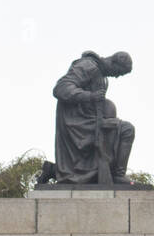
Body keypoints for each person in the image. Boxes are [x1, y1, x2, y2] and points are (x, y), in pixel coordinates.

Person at [51, 50, 136, 184]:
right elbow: (61, 88)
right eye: (119, 73)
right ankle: (118, 175)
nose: (117, 77)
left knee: (121, 129)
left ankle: (53, 170)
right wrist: (90, 96)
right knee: (127, 129)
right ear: (113, 63)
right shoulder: (87, 66)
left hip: (89, 120)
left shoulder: (100, 74)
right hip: (78, 124)